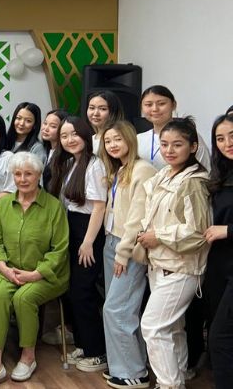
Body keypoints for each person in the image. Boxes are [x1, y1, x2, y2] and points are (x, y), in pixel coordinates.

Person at [0, 151, 69, 388]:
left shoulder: (53, 207)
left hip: (46, 274)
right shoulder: (3, 205)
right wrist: (3, 268)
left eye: (28, 174)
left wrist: (35, 274)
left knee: (24, 298)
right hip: (9, 270)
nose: (22, 179)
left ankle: (28, 357)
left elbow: (59, 250)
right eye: (18, 174)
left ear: (38, 175)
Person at [138, 118, 211, 389]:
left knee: (153, 326)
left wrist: (158, 235)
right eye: (165, 144)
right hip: (159, 263)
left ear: (193, 146)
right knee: (171, 328)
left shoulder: (194, 182)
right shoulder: (164, 175)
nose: (169, 150)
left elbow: (197, 232)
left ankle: (169, 384)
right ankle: (177, 376)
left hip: (181, 267)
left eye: (177, 144)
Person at [98, 121, 157, 389]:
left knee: (118, 310)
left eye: (118, 139)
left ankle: (134, 373)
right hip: (112, 242)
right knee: (119, 308)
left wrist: (123, 253)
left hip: (127, 248)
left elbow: (137, 218)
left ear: (130, 140)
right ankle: (127, 365)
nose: (112, 145)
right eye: (108, 141)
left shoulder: (143, 170)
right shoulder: (120, 169)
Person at [49, 116, 108, 372]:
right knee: (74, 291)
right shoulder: (71, 163)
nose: (69, 140)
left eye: (74, 134)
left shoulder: (95, 164)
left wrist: (88, 242)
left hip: (88, 230)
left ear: (85, 134)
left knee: (83, 292)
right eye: (64, 136)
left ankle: (98, 352)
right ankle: (84, 345)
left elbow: (99, 206)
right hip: (73, 226)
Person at [206, 113, 233, 388]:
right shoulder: (220, 174)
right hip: (219, 265)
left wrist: (228, 230)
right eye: (220, 138)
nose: (227, 143)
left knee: (220, 339)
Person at [137, 85, 211, 170]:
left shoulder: (189, 136)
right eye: (148, 105)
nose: (155, 109)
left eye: (161, 104)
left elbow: (205, 171)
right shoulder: (138, 139)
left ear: (173, 105)